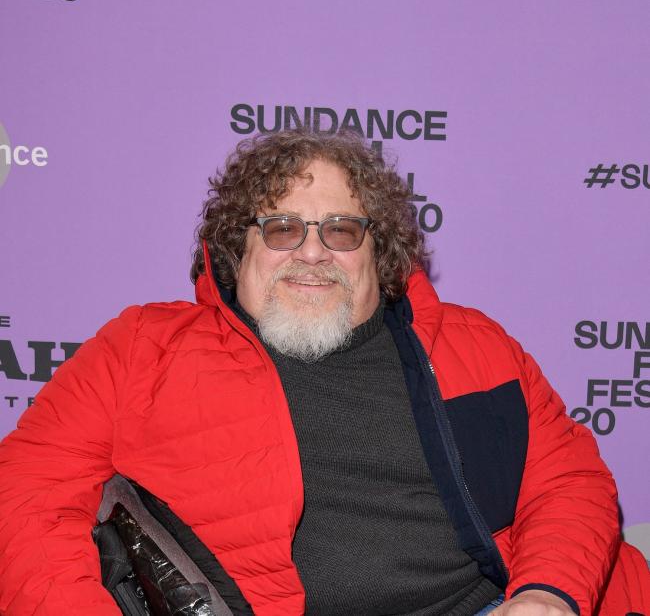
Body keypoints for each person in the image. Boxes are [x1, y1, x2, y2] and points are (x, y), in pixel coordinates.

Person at [0, 130, 648, 616]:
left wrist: (547, 595)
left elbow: (567, 483)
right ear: (236, 246)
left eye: (341, 230)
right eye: (281, 228)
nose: (312, 250)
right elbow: (24, 498)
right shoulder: (141, 347)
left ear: (380, 251)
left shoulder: (473, 343)